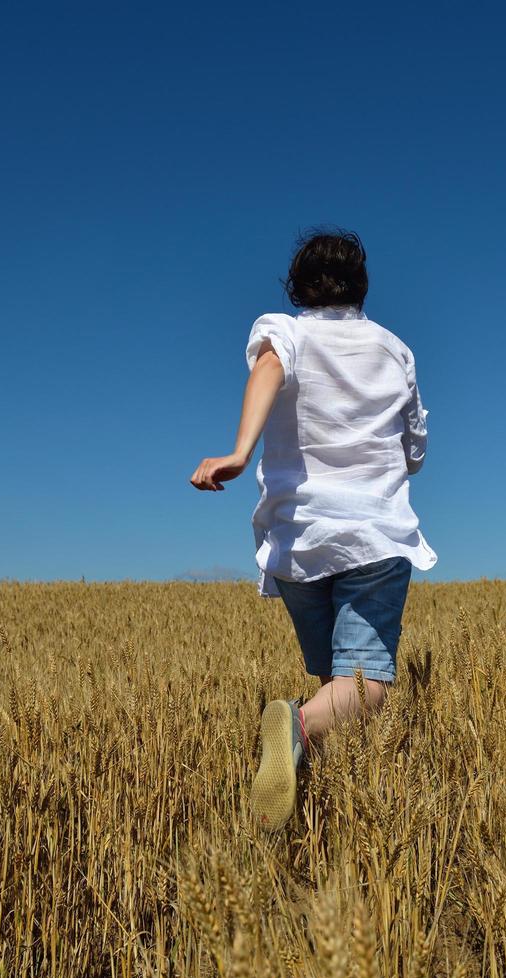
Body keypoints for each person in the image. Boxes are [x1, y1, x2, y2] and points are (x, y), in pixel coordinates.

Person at [188, 228, 436, 830]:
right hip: (372, 536)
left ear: (298, 287)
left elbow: (269, 367)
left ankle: (318, 810)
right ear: (362, 287)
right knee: (365, 688)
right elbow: (416, 444)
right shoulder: (394, 350)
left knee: (334, 679)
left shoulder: (285, 331)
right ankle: (293, 724)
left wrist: (240, 451)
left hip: (298, 541)